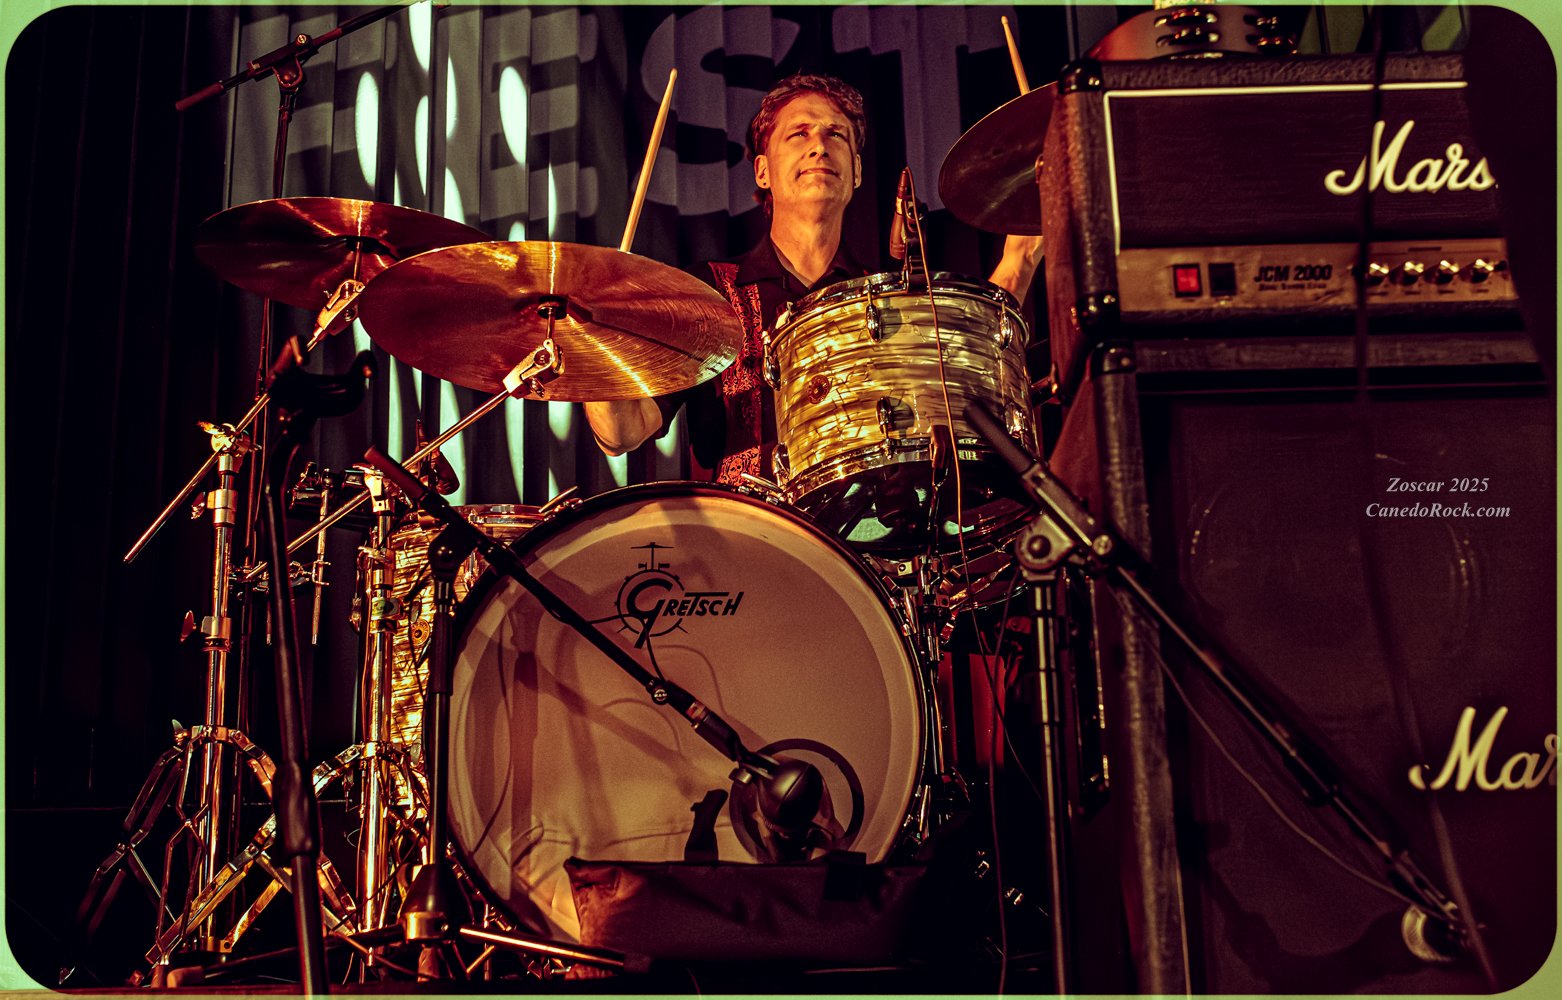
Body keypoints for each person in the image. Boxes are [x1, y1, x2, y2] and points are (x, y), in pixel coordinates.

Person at [584, 73, 1043, 483]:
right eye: (799, 133)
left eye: (835, 134)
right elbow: (623, 432)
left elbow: (966, 379)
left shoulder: (885, 301)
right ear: (763, 171)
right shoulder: (709, 293)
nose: (819, 146)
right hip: (743, 539)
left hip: (864, 540)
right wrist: (591, 339)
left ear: (857, 171)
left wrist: (1018, 263)